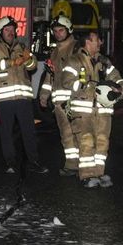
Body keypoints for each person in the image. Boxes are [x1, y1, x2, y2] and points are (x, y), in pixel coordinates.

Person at [60, 31, 123, 187]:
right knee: (86, 141)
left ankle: (99, 173)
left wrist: (119, 88)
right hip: (83, 111)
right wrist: (88, 85)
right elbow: (67, 82)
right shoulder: (74, 61)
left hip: (103, 111)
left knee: (103, 143)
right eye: (97, 40)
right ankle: (87, 175)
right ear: (88, 42)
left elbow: (118, 78)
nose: (101, 43)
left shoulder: (104, 62)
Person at [0, 16, 48, 175]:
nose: (10, 32)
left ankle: (33, 162)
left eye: (12, 29)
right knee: (6, 133)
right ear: (0, 32)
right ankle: (11, 163)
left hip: (23, 98)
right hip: (4, 99)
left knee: (29, 131)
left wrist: (28, 59)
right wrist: (11, 62)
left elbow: (33, 66)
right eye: (7, 30)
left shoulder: (22, 47)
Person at [38, 15, 80, 176]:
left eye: (61, 30)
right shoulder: (55, 52)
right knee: (66, 135)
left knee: (79, 134)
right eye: (55, 31)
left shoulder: (76, 49)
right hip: (59, 103)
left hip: (74, 100)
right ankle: (72, 164)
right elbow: (50, 76)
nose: (58, 34)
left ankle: (84, 166)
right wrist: (44, 95)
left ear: (69, 30)